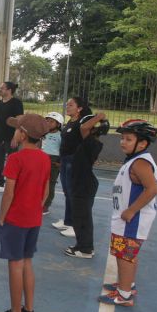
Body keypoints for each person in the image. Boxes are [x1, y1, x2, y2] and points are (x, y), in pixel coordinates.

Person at [0, 113, 51, 312]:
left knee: (15, 263)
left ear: (23, 134)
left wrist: (2, 216)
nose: (14, 131)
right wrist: (36, 208)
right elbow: (45, 191)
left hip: (15, 218)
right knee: (27, 261)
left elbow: (9, 192)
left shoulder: (16, 159)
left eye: (17, 129)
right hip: (34, 218)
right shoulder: (44, 158)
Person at [98, 119, 157, 307]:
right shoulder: (135, 160)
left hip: (131, 219)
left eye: (128, 139)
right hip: (126, 218)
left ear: (142, 143)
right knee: (126, 254)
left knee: (125, 254)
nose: (123, 142)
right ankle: (127, 284)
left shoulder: (140, 163)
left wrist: (132, 210)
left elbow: (152, 189)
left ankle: (124, 295)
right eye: (122, 138)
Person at [64, 114, 109, 259]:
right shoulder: (90, 142)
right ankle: (83, 245)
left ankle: (85, 249)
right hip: (83, 182)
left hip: (84, 183)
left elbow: (84, 127)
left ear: (94, 130)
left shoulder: (91, 142)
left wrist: (100, 116)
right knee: (81, 217)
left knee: (82, 217)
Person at [53, 96, 92, 235]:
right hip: (64, 160)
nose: (67, 107)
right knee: (66, 191)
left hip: (74, 161)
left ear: (79, 108)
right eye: (67, 105)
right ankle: (68, 220)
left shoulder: (82, 123)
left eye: (70, 105)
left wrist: (99, 116)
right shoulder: (70, 121)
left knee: (72, 192)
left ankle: (75, 225)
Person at [0, 81, 24, 193]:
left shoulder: (16, 103)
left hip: (10, 138)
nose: (0, 90)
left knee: (12, 163)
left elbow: (19, 120)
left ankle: (11, 185)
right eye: (0, 88)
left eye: (2, 88)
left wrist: (16, 137)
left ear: (9, 90)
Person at [41, 112, 63, 215]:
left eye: (51, 122)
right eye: (47, 121)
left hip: (54, 161)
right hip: (42, 158)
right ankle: (38, 202)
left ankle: (46, 206)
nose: (48, 123)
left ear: (58, 124)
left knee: (50, 184)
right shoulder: (43, 133)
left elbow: (63, 149)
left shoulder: (60, 136)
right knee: (39, 182)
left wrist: (60, 162)